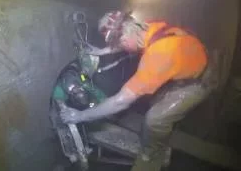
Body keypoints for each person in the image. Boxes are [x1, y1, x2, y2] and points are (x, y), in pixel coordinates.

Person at [60, 10, 209, 165]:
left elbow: (121, 101)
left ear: (124, 37)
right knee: (154, 102)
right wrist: (101, 51)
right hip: (188, 61)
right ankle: (158, 132)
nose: (120, 48)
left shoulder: (157, 56)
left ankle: (151, 152)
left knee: (155, 119)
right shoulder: (144, 28)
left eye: (117, 44)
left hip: (198, 81)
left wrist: (79, 116)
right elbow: (125, 39)